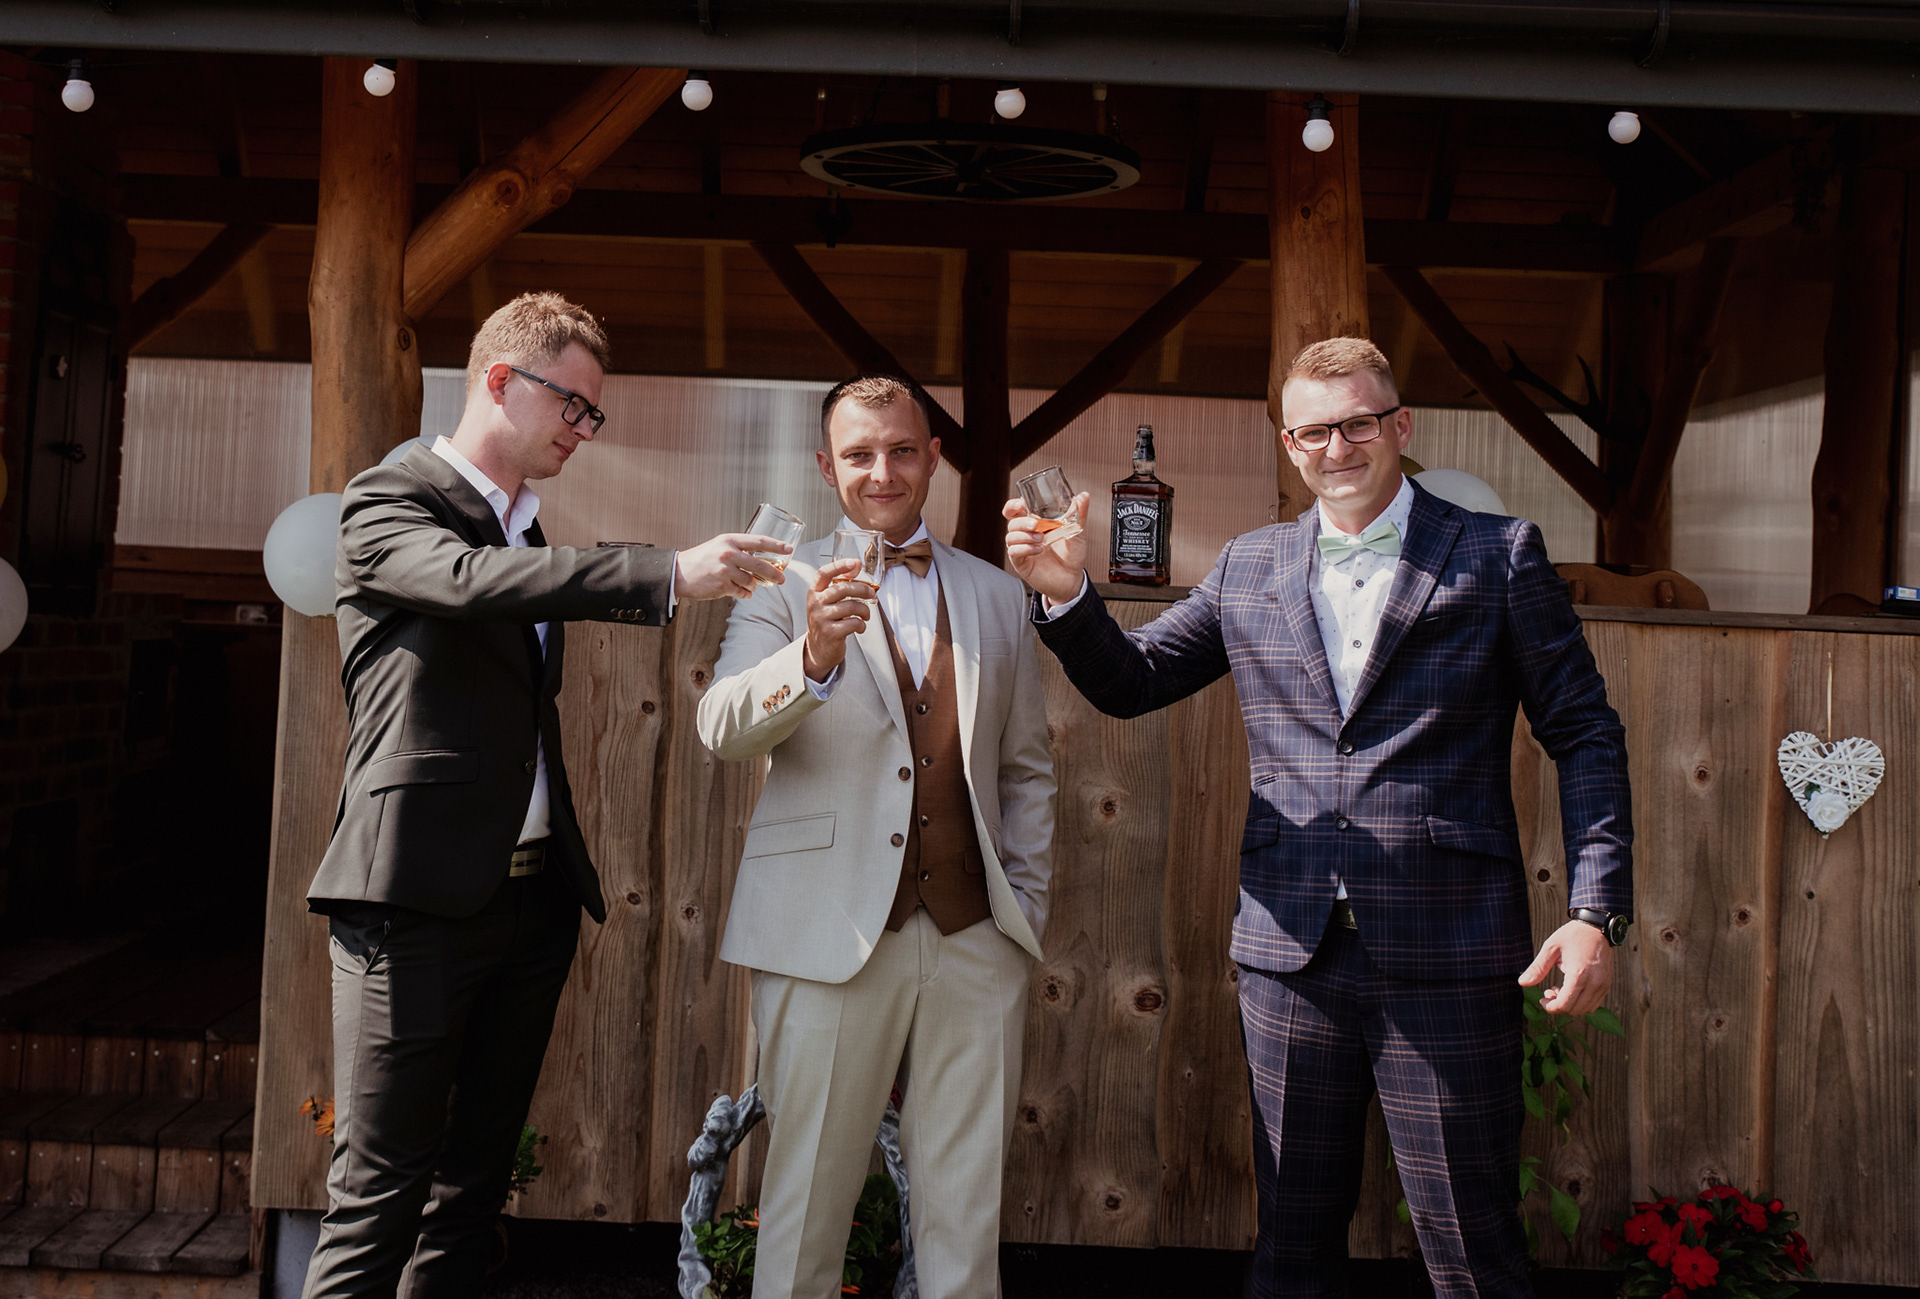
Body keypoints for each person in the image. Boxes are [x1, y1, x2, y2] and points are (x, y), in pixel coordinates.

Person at [1004, 338, 1633, 1299]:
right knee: (1291, 1251)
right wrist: (1067, 595)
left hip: (1450, 950)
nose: (1336, 448)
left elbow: (1584, 731)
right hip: (1288, 953)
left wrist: (1595, 910)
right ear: (1288, 443)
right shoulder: (1249, 563)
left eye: (1357, 424)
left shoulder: (1498, 553)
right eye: (1312, 432)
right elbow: (1135, 682)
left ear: (1399, 425)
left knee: (1474, 1252)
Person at [303, 292, 792, 1298]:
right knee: (377, 1196)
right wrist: (667, 571)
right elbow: (465, 581)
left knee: (473, 1191)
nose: (584, 429)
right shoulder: (388, 499)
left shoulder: (526, 532)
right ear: (499, 380)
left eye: (591, 412)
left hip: (530, 905)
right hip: (413, 901)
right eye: (573, 404)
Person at [696, 375, 1056, 1299]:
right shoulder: (780, 577)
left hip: (976, 939)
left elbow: (1025, 770)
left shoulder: (997, 595)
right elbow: (721, 725)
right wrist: (812, 656)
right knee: (806, 1214)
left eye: (901, 449)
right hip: (825, 935)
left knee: (965, 1222)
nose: (882, 471)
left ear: (933, 457)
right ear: (827, 467)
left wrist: (1021, 913)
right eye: (859, 454)